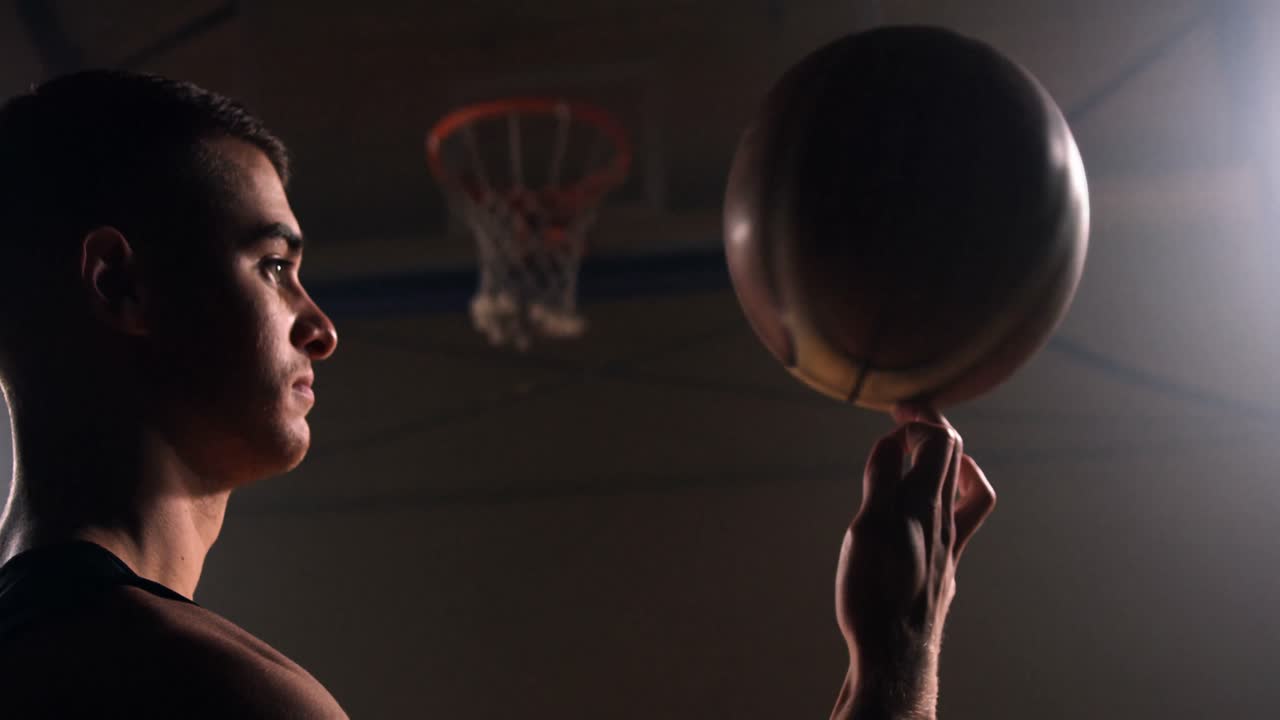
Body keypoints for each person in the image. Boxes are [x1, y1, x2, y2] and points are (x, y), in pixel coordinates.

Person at [0, 70, 995, 719]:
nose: (320, 324)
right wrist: (895, 662)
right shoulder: (215, 695)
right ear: (118, 285)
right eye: (272, 266)